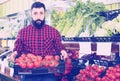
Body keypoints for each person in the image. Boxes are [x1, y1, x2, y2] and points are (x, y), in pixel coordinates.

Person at [8, 1, 68, 81]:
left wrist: (63, 51)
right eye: (35, 13)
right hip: (28, 73)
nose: (38, 16)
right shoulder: (23, 32)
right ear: (31, 14)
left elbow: (58, 47)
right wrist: (14, 54)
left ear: (44, 14)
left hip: (48, 73)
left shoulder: (53, 32)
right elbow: (18, 48)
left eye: (41, 13)